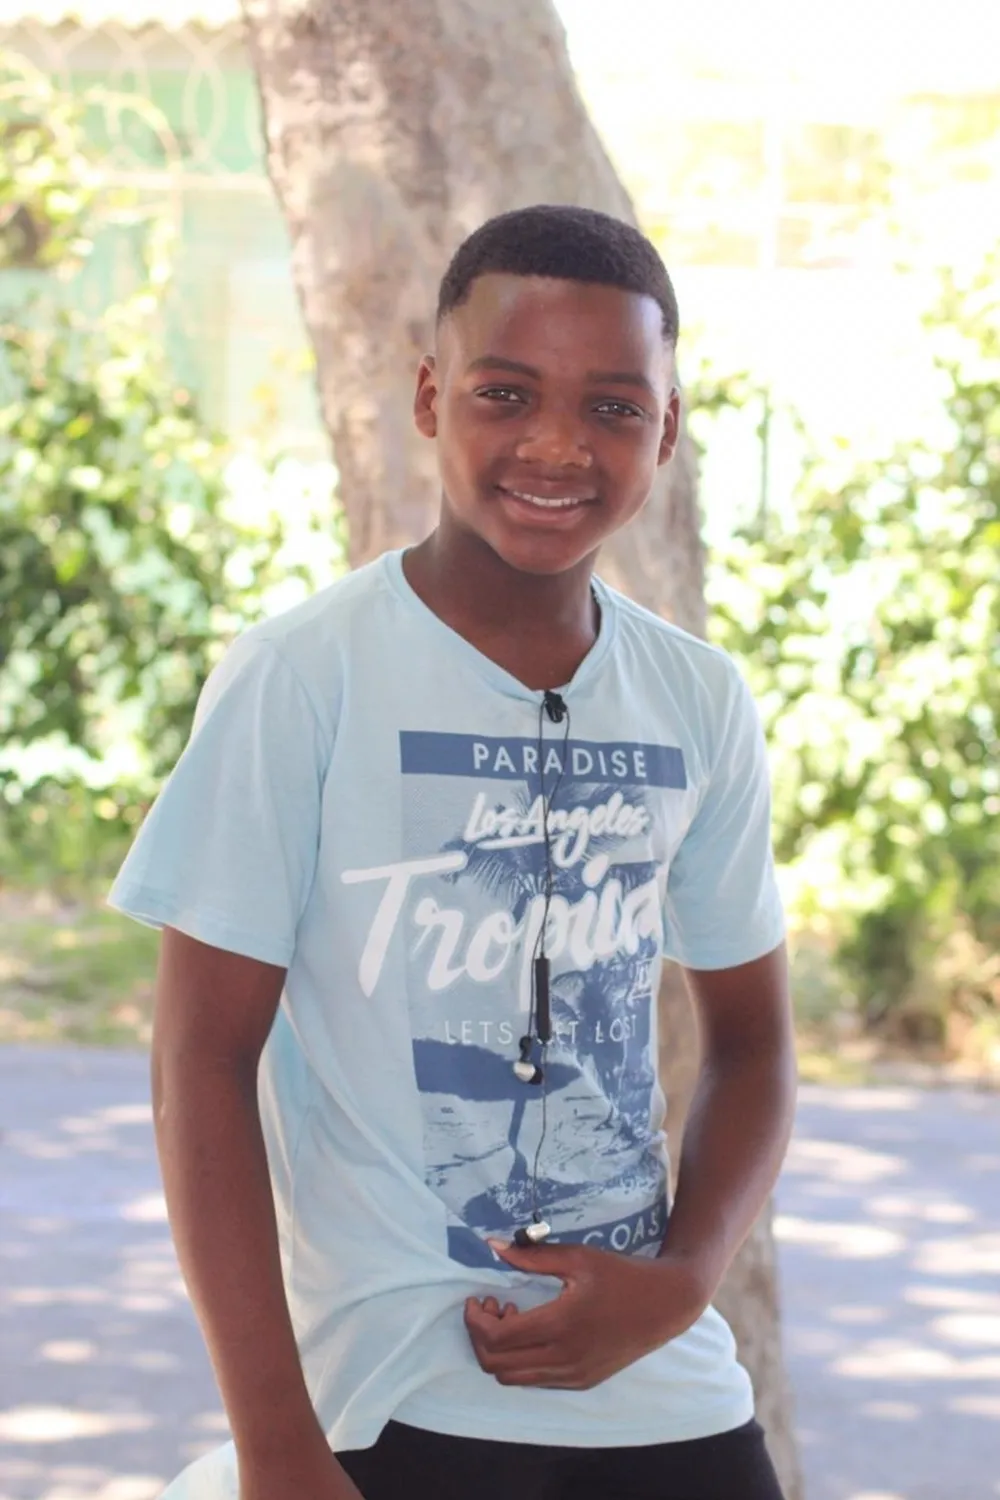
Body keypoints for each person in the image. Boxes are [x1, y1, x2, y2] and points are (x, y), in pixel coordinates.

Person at [110, 203, 796, 1500]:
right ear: (432, 398)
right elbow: (199, 1063)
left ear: (667, 428)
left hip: (661, 1392)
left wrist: (678, 1283)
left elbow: (754, 1047)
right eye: (505, 393)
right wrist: (274, 1445)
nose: (557, 445)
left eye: (613, 407)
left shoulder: (698, 701)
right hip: (391, 1393)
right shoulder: (303, 678)